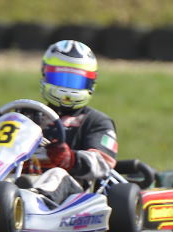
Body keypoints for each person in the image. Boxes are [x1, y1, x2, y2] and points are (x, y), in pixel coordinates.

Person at [27, 40, 118, 205]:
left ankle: (35, 202)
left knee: (56, 174)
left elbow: (103, 162)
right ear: (45, 75)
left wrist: (71, 159)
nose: (67, 88)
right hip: (21, 177)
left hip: (71, 188)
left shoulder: (97, 121)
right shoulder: (27, 114)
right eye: (60, 78)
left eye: (75, 81)